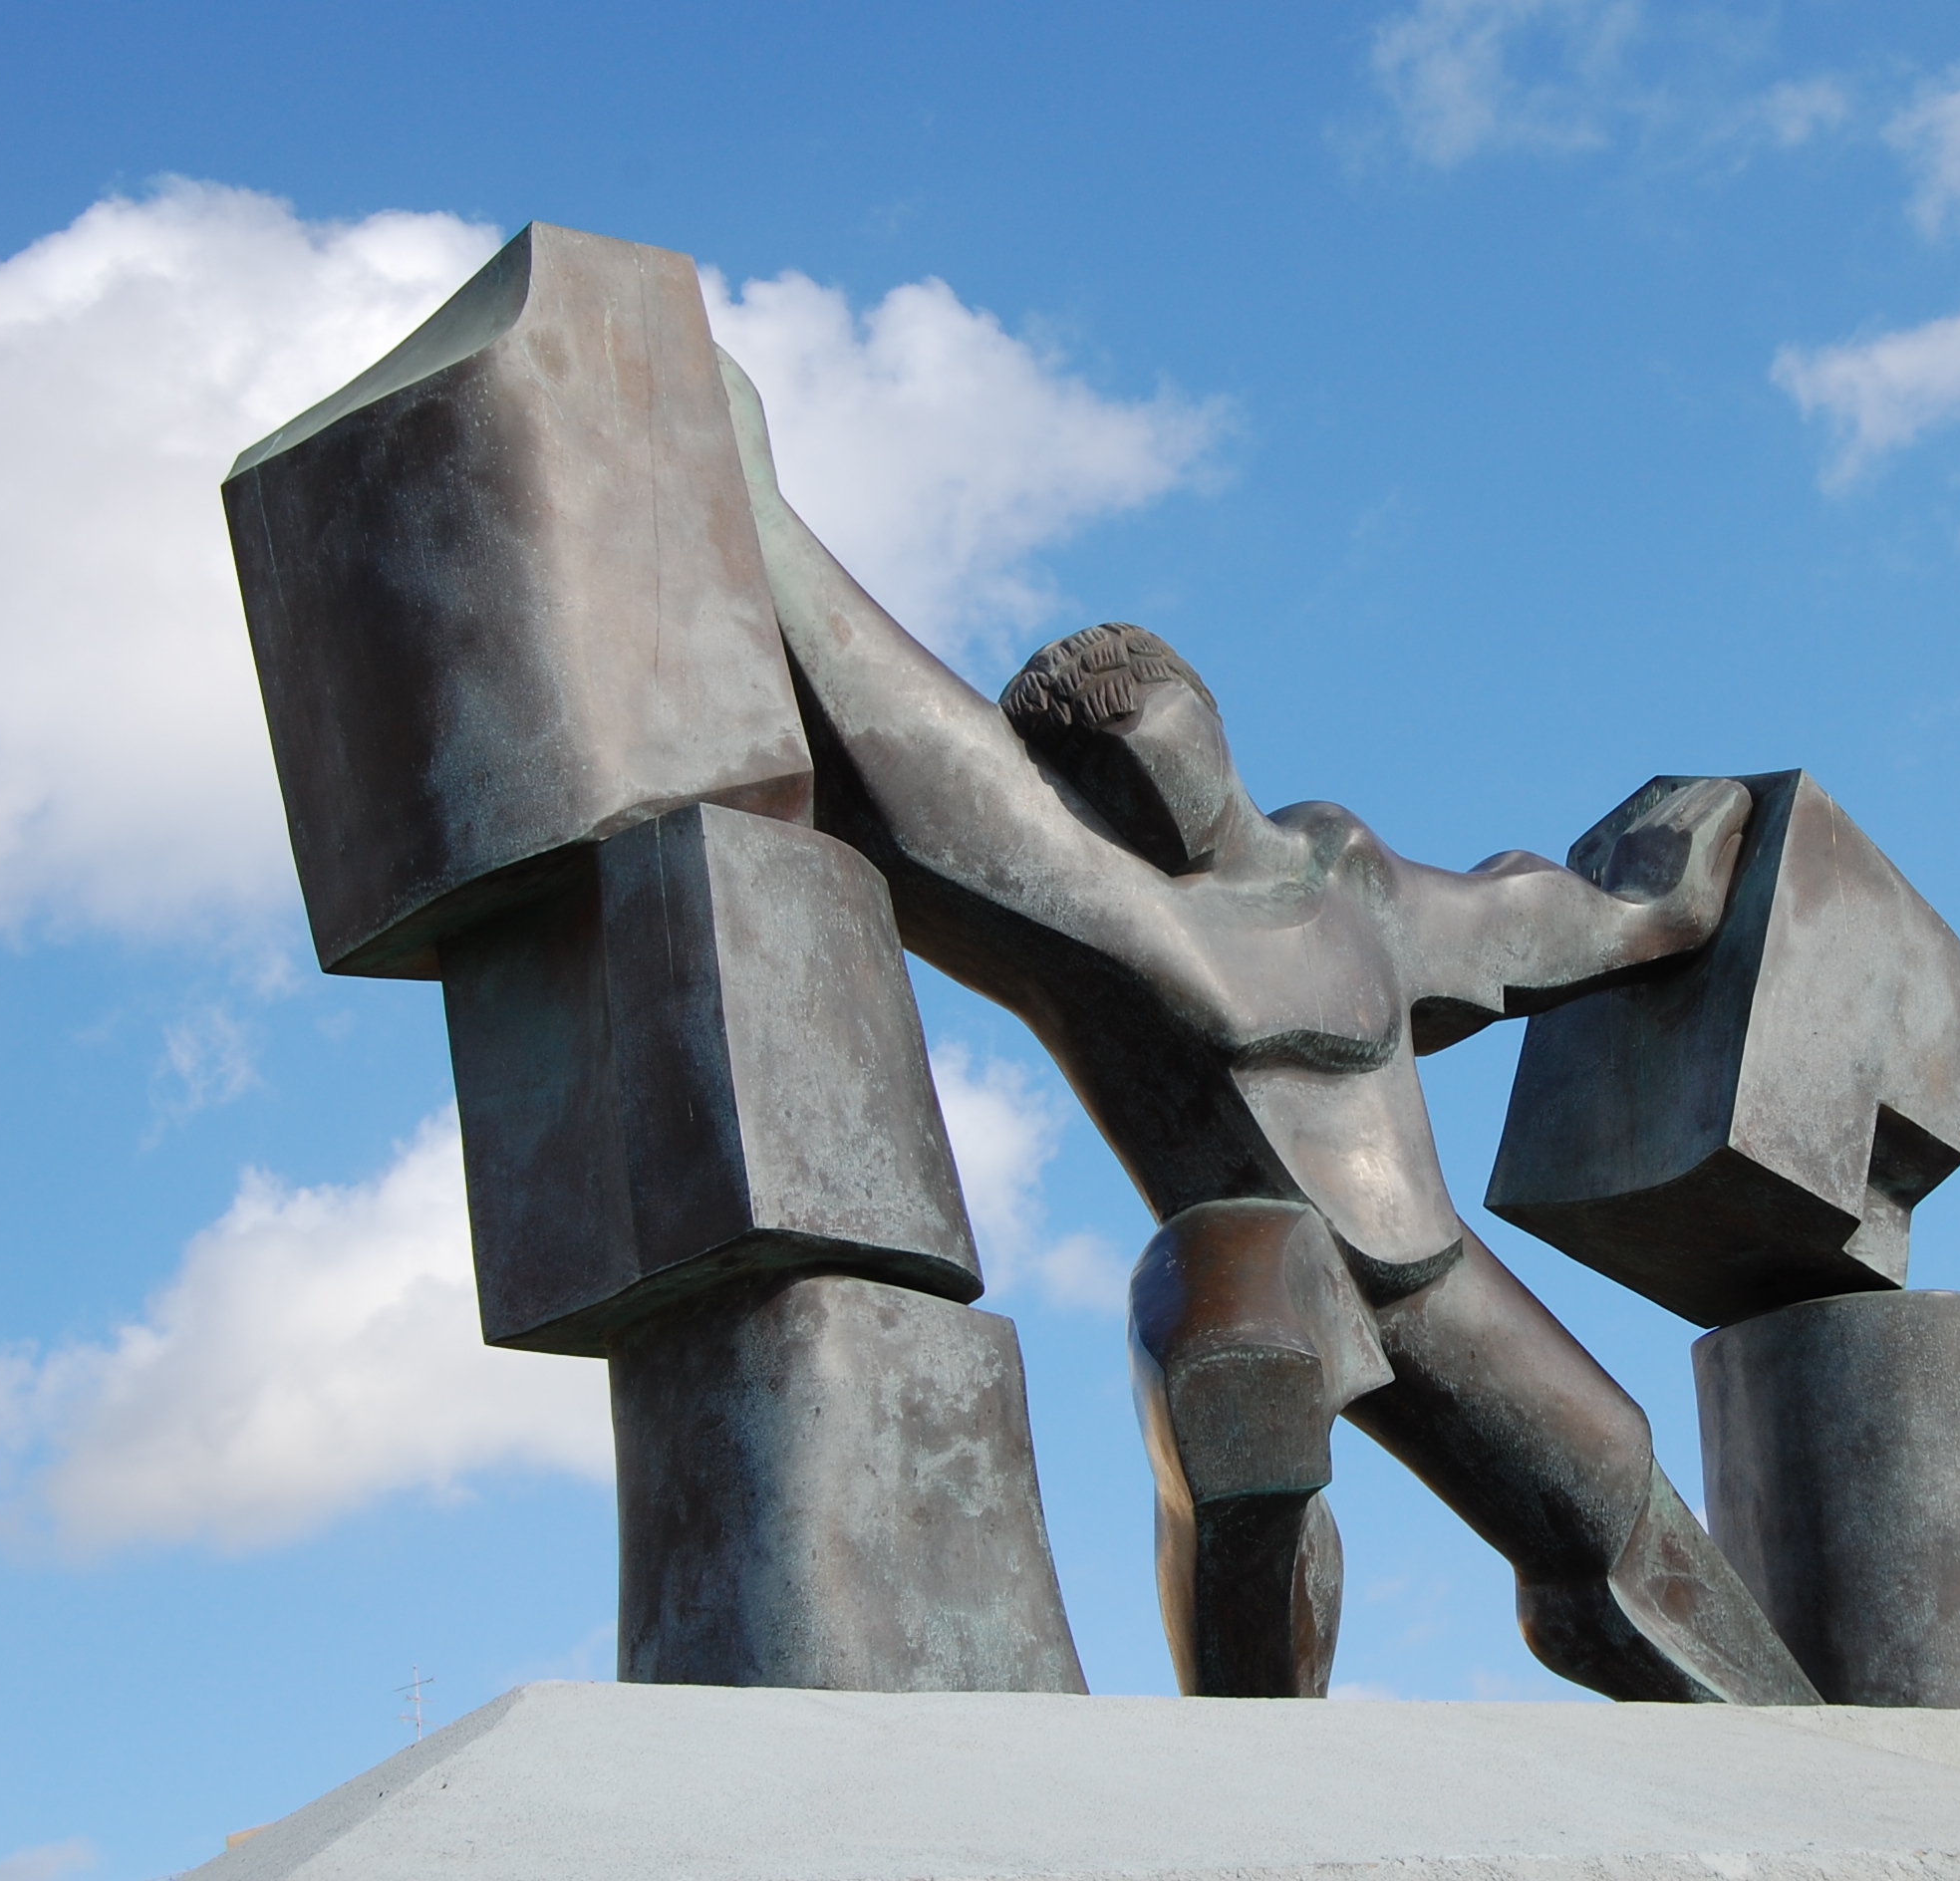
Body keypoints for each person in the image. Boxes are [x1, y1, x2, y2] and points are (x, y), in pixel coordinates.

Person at [721, 353, 1815, 1705]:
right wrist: (757, 516)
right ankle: (1250, 1766)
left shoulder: (1344, 877)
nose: (1141, 775)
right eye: (1096, 769)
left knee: (1621, 1530)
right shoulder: (1109, 919)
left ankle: (1821, 1763)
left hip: (1436, 1282)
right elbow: (932, 778)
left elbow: (1527, 925)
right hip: (1265, 1265)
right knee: (1243, 1380)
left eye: (1155, 733)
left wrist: (1665, 912)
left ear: (1212, 717)